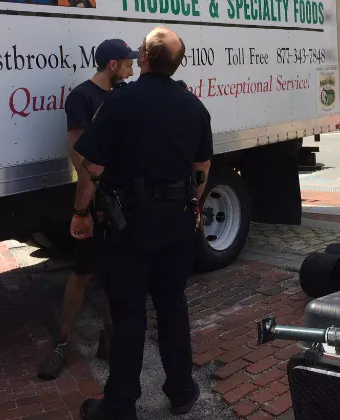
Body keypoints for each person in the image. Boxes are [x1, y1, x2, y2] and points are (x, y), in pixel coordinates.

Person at [71, 26, 213, 420]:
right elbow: (202, 165)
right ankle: (182, 391)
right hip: (180, 220)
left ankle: (119, 405)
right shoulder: (192, 105)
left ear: (145, 58)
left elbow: (91, 163)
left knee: (129, 312)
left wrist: (89, 205)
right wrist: (194, 204)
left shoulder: (121, 102)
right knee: (172, 306)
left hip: (130, 223)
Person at [37, 39, 136, 380]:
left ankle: (108, 336)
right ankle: (62, 344)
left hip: (123, 200)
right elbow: (79, 154)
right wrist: (90, 203)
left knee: (115, 272)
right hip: (96, 200)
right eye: (127, 63)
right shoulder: (82, 97)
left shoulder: (123, 95)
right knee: (82, 272)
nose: (132, 69)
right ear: (112, 65)